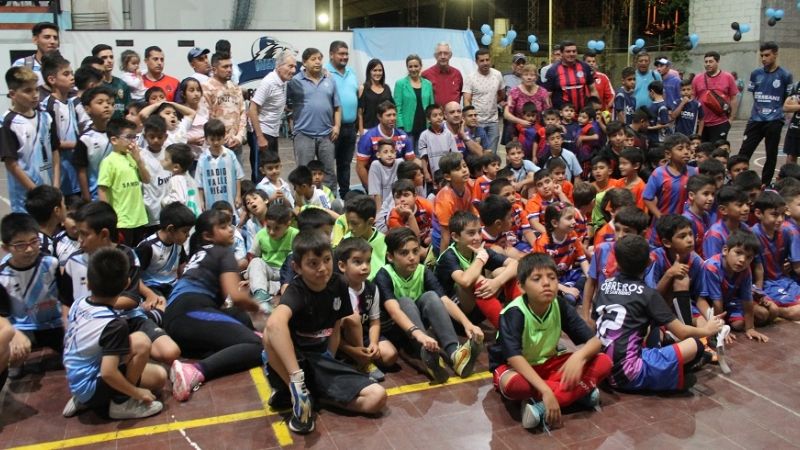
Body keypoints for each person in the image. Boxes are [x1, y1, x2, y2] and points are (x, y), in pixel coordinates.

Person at [264, 230, 386, 434]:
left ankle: (313, 398)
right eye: (313, 263)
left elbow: (336, 326)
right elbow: (274, 325)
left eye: (327, 260)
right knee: (269, 333)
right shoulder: (296, 290)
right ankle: (297, 391)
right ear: (297, 267)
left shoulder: (339, 284)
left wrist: (329, 358)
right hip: (294, 364)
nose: (322, 268)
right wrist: (296, 377)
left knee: (377, 397)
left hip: (322, 361)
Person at [490, 252, 612, 430]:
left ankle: (540, 406)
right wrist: (546, 391)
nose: (546, 283)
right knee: (516, 386)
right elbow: (514, 358)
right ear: (521, 286)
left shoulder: (559, 304)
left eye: (552, 277)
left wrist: (580, 357)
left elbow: (595, 342)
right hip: (515, 369)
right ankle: (578, 393)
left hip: (549, 364)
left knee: (604, 361)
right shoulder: (513, 312)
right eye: (537, 278)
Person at [594, 235, 725, 393]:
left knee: (652, 329)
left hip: (603, 368)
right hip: (628, 374)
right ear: (649, 262)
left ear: (617, 263)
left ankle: (666, 372)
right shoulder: (647, 294)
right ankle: (670, 378)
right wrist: (707, 330)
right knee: (695, 345)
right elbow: (682, 332)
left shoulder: (604, 286)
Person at [165, 209, 262, 402]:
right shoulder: (222, 252)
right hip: (192, 312)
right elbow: (236, 296)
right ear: (208, 235)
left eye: (230, 225)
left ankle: (241, 341)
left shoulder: (199, 252)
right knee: (257, 346)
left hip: (175, 320)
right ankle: (195, 370)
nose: (231, 230)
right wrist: (259, 307)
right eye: (223, 227)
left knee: (240, 316)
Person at [62, 247, 167, 420]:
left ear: (88, 283)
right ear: (127, 284)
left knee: (155, 374)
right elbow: (109, 373)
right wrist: (137, 393)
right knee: (143, 345)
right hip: (91, 387)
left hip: (75, 380)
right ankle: (122, 403)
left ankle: (82, 398)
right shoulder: (114, 325)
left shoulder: (79, 303)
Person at [375, 227, 483, 384]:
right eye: (404, 253)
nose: (412, 257)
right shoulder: (384, 275)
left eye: (415, 251)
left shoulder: (423, 271)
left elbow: (445, 300)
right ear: (390, 257)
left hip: (420, 333)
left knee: (432, 297)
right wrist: (420, 335)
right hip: (398, 332)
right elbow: (394, 312)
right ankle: (429, 356)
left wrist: (468, 324)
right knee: (405, 302)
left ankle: (455, 354)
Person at [0, 213, 64, 379]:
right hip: (22, 329)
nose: (29, 249)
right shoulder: (2, 276)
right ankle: (15, 363)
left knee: (77, 353)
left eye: (33, 242)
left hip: (53, 325)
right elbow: (3, 314)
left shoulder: (51, 264)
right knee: (12, 358)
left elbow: (66, 298)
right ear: (6, 248)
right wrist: (14, 334)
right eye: (20, 245)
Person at [436, 211, 519, 328]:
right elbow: (465, 281)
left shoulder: (479, 250)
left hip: (477, 307)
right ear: (455, 237)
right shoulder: (448, 256)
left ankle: (521, 317)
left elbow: (515, 263)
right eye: (471, 233)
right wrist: (481, 257)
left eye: (479, 232)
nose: (478, 237)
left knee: (502, 272)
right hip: (453, 316)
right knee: (476, 279)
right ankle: (505, 330)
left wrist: (497, 282)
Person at [335, 237, 398, 381]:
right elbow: (331, 332)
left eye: (368, 261)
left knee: (390, 355)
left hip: (363, 335)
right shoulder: (335, 289)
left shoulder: (372, 288)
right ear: (342, 266)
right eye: (357, 262)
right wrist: (352, 350)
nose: (365, 266)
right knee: (353, 317)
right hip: (340, 340)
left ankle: (357, 360)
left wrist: (374, 343)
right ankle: (362, 362)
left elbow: (375, 321)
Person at [1, 66, 59, 213]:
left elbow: (55, 151)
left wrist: (56, 186)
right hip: (26, 198)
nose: (35, 95)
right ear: (13, 94)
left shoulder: (46, 117)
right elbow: (11, 164)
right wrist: (37, 192)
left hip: (50, 192)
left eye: (36, 89)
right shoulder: (8, 122)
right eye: (28, 91)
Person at [737, 42, 794, 186]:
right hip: (756, 119)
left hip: (775, 120)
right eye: (761, 55)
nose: (763, 58)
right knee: (744, 152)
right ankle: (740, 182)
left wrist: (777, 111)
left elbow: (787, 98)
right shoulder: (756, 73)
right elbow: (755, 94)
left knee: (771, 154)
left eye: (767, 55)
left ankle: (765, 184)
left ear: (775, 54)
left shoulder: (785, 75)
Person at [699, 230, 771, 339]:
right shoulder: (712, 268)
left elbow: (747, 301)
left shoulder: (745, 270)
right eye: (738, 253)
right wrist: (721, 329)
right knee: (706, 329)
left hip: (726, 302)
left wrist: (750, 328)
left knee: (743, 323)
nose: (742, 260)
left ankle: (728, 321)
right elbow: (716, 302)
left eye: (748, 257)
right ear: (725, 250)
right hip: (705, 305)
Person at [287, 47, 340, 191]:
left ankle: (330, 203)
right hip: (304, 134)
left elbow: (337, 107)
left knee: (328, 172)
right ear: (304, 62)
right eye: (313, 59)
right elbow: (286, 105)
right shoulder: (295, 81)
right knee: (303, 173)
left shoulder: (329, 80)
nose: (317, 62)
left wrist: (337, 127)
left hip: (327, 134)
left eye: (319, 59)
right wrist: (293, 126)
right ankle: (304, 204)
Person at [97, 118, 150, 247]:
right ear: (114, 140)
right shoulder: (109, 161)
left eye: (134, 137)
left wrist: (139, 161)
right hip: (121, 221)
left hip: (139, 218)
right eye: (129, 137)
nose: (132, 142)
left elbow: (147, 179)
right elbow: (102, 189)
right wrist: (108, 217)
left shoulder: (133, 157)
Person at [751, 191, 800, 320]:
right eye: (774, 215)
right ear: (758, 214)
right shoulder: (753, 235)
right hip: (768, 285)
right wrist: (759, 295)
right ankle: (777, 311)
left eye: (783, 215)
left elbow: (793, 263)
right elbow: (758, 269)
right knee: (796, 312)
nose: (780, 219)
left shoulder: (786, 232)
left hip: (785, 281)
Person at [40, 54, 81, 201]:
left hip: (74, 167)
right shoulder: (49, 105)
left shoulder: (71, 102)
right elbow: (52, 142)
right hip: (60, 170)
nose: (71, 77)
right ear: (52, 79)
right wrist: (79, 144)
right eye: (66, 74)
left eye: (72, 73)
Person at [325, 41, 359, 197]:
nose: (344, 57)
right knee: (328, 165)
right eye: (341, 54)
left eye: (346, 54)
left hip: (350, 127)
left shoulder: (351, 72)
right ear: (332, 54)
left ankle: (345, 194)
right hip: (332, 127)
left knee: (345, 164)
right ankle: (329, 195)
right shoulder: (325, 73)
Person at [247, 203, 298, 309]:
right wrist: (251, 276)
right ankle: (261, 295)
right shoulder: (260, 235)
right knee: (256, 261)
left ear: (288, 225)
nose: (271, 232)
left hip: (287, 274)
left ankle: (268, 294)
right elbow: (253, 258)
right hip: (269, 272)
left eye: (277, 228)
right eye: (268, 227)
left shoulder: (295, 235)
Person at [249, 50, 296, 161]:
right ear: (279, 66)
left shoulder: (283, 81)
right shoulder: (268, 82)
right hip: (263, 133)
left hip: (273, 133)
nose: (293, 70)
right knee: (261, 173)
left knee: (272, 170)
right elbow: (252, 109)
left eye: (294, 67)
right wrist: (260, 137)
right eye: (290, 66)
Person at [202, 52, 247, 166]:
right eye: (225, 67)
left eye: (230, 66)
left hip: (236, 143)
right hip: (217, 144)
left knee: (237, 180)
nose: (229, 70)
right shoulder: (206, 88)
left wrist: (239, 137)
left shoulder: (235, 88)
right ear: (214, 69)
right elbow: (206, 117)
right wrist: (222, 138)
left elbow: (242, 113)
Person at [356, 101, 413, 187]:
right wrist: (371, 190)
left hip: (398, 182)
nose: (392, 118)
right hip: (377, 181)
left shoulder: (402, 135)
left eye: (394, 115)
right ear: (379, 117)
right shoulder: (368, 137)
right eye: (388, 115)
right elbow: (360, 167)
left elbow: (411, 162)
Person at [195, 119, 244, 211]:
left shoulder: (230, 155)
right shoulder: (202, 159)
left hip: (230, 202)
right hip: (211, 204)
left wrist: (238, 195)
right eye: (212, 139)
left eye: (219, 139)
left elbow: (238, 177)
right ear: (206, 139)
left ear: (224, 137)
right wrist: (201, 201)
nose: (216, 142)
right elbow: (199, 183)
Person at [691, 51, 739, 143]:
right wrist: (694, 119)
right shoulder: (697, 78)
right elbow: (693, 99)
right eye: (706, 62)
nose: (708, 64)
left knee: (718, 152)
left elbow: (733, 99)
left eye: (711, 61)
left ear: (717, 62)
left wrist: (731, 119)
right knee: (702, 152)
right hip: (702, 124)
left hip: (721, 123)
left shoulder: (728, 77)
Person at [463, 49, 505, 153]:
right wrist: (471, 119)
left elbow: (502, 95)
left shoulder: (498, 75)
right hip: (477, 123)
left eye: (487, 59)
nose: (485, 63)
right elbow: (467, 100)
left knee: (491, 155)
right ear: (476, 62)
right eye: (482, 60)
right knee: (477, 154)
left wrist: (490, 103)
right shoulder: (470, 78)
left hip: (493, 122)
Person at [394, 54, 434, 151]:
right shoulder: (400, 84)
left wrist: (432, 123)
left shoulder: (428, 84)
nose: (413, 69)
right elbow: (397, 106)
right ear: (407, 67)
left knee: (423, 155)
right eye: (410, 66)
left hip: (425, 127)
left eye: (416, 66)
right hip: (407, 129)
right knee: (409, 158)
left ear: (420, 66)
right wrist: (400, 126)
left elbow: (431, 106)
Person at [543, 40, 598, 111]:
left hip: (582, 116)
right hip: (561, 117)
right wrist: (551, 114)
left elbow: (593, 89)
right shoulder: (553, 71)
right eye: (568, 51)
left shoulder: (585, 67)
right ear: (561, 53)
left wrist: (595, 109)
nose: (571, 54)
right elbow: (547, 96)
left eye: (574, 51)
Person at [703, 185, 751, 258]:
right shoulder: (715, 235)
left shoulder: (746, 229)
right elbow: (713, 266)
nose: (746, 208)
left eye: (747, 204)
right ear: (723, 210)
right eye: (740, 205)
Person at [418, 104, 459, 183]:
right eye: (435, 115)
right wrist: (426, 173)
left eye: (440, 115)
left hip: (447, 170)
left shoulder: (448, 134)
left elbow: (454, 154)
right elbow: (423, 157)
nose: (439, 117)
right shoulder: (424, 135)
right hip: (432, 171)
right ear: (428, 119)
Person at [504, 64, 550, 133]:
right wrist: (521, 122)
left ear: (536, 77)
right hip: (518, 131)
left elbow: (548, 113)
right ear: (521, 77)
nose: (529, 77)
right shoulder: (514, 92)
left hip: (538, 131)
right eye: (526, 75)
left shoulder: (543, 92)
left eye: (532, 75)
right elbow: (506, 114)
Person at [12, 22, 59, 87]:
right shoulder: (22, 64)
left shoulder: (63, 66)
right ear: (35, 40)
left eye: (55, 38)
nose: (52, 41)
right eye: (47, 37)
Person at [161, 143, 203, 216]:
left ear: (176, 167)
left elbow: (178, 200)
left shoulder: (176, 179)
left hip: (185, 220)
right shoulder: (188, 177)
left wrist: (164, 201)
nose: (162, 160)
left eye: (166, 159)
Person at [91, 44, 131, 120]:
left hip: (120, 126)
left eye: (111, 57)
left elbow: (128, 108)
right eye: (104, 58)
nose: (109, 61)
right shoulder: (95, 85)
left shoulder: (122, 84)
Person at [683, 174, 716, 258]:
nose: (711, 198)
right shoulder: (687, 220)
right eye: (706, 194)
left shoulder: (706, 215)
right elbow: (688, 252)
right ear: (691, 195)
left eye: (713, 194)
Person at [358, 58, 393, 135]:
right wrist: (361, 131)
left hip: (385, 130)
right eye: (375, 70)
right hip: (368, 130)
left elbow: (391, 110)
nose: (378, 73)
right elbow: (360, 113)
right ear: (369, 72)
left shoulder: (387, 88)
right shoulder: (363, 88)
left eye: (380, 70)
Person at [422, 42, 463, 107]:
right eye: (439, 53)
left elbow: (460, 93)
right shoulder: (426, 75)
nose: (443, 56)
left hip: (453, 115)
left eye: (446, 53)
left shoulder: (457, 73)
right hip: (435, 116)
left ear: (450, 55)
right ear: (435, 56)